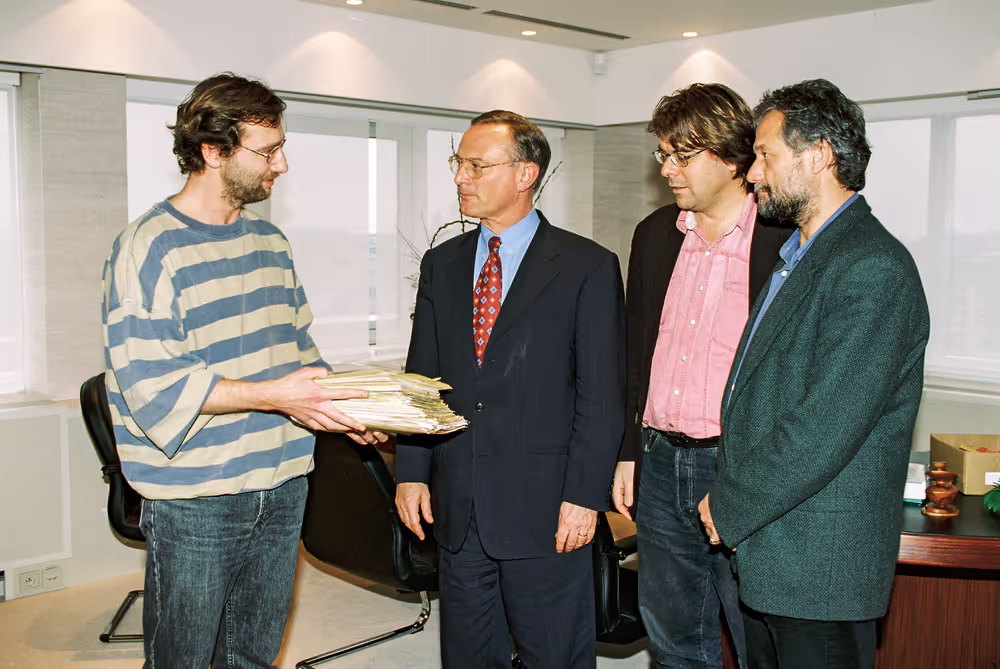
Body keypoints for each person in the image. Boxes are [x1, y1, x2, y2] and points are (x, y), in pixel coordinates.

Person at [102, 72, 382, 669]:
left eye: (281, 147)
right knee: (183, 659)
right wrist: (279, 395)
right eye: (268, 151)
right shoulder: (147, 249)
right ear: (213, 151)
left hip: (284, 481)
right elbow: (154, 386)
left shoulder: (270, 242)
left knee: (253, 654)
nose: (282, 165)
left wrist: (345, 406)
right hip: (198, 498)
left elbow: (298, 349)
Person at [698, 79, 930, 669]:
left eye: (765, 155)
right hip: (774, 558)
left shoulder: (872, 266)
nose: (753, 173)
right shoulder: (798, 258)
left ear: (819, 155)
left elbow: (822, 427)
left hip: (818, 571)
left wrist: (729, 504)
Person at [394, 110, 625, 668]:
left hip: (547, 509)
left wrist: (584, 498)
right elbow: (422, 378)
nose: (461, 177)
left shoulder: (587, 266)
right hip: (459, 505)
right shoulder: (442, 264)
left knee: (554, 656)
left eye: (477, 165)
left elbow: (601, 396)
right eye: (459, 163)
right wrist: (411, 471)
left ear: (525, 174)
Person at [610, 83, 791, 669]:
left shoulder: (784, 239)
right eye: (663, 154)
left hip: (740, 465)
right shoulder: (654, 234)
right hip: (660, 461)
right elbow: (636, 354)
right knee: (673, 641)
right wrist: (628, 451)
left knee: (756, 638)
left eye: (682, 156)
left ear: (733, 158)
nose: (666, 169)